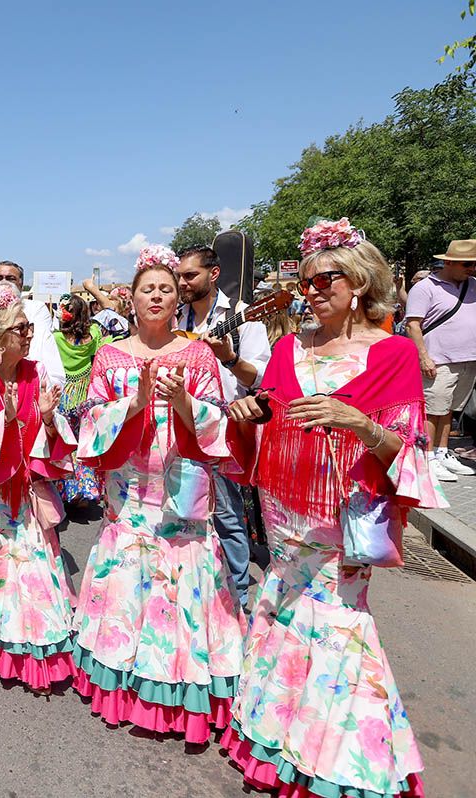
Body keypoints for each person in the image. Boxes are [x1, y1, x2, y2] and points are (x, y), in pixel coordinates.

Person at [222, 218, 443, 797]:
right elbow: (270, 407)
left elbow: (408, 450)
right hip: (285, 510)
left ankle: (348, 756)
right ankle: (278, 736)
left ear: (362, 284)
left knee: (341, 625)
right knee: (282, 610)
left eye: (329, 279)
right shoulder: (289, 346)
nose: (315, 290)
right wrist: (250, 414)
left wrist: (363, 425)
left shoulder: (393, 353)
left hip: (346, 515)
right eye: (310, 281)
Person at [70, 244, 244, 743]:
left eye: (167, 289)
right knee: (128, 570)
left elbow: (217, 424)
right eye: (148, 288)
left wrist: (185, 402)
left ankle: (179, 679)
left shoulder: (198, 354)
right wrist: (136, 402)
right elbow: (91, 420)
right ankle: (122, 673)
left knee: (180, 573)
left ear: (177, 300)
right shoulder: (109, 355)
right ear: (132, 298)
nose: (157, 296)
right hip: (127, 489)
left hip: (181, 488)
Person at [0, 282, 79, 694]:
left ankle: (35, 646)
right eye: (19, 328)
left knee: (32, 568)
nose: (28, 334)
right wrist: (3, 422)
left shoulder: (36, 372)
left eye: (27, 328)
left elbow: (48, 436)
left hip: (25, 492)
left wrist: (45, 416)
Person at [174, 245, 272, 609]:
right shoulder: (175, 317)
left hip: (226, 427)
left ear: (213, 275)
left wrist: (228, 357)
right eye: (180, 276)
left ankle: (236, 596)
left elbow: (261, 377)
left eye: (190, 276)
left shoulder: (246, 317)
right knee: (185, 509)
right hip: (182, 425)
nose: (182, 283)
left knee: (228, 513)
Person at [405, 238, 476, 483]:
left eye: (474, 265)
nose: (472, 269)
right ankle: (427, 456)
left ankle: (442, 452)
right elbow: (413, 324)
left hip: (468, 359)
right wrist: (424, 357)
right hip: (438, 360)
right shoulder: (426, 287)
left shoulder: (473, 285)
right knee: (432, 411)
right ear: (450, 262)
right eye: (467, 264)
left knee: (448, 410)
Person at [0, 261, 65, 383]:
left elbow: (54, 377)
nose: (4, 283)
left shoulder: (36, 309)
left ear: (21, 284)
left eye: (10, 279)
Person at [52, 293, 104, 506]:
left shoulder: (55, 338)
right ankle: (86, 488)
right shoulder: (95, 334)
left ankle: (67, 490)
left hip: (63, 393)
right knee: (84, 442)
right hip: (85, 394)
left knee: (65, 443)